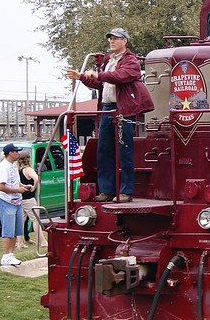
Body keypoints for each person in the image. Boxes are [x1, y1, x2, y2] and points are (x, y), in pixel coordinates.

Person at [65, 27, 155, 203]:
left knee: (125, 150)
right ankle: (106, 189)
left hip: (123, 111)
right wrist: (82, 77)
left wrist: (98, 74)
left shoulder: (131, 61)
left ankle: (126, 191)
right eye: (110, 39)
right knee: (104, 150)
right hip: (106, 109)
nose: (111, 41)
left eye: (115, 38)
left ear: (124, 41)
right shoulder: (109, 62)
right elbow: (101, 84)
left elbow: (120, 77)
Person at [0, 143, 32, 266]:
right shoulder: (3, 167)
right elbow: (1, 186)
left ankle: (11, 255)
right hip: (7, 202)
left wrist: (24, 186)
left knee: (16, 231)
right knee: (8, 231)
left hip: (17, 202)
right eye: (16, 151)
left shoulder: (13, 166)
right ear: (10, 153)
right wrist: (17, 190)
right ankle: (5, 256)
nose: (18, 153)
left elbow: (15, 183)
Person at [16, 150, 47, 249]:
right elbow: (36, 178)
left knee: (22, 220)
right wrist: (34, 186)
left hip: (21, 197)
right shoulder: (28, 169)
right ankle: (42, 241)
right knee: (35, 220)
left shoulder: (18, 170)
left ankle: (19, 243)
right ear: (28, 159)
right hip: (29, 198)